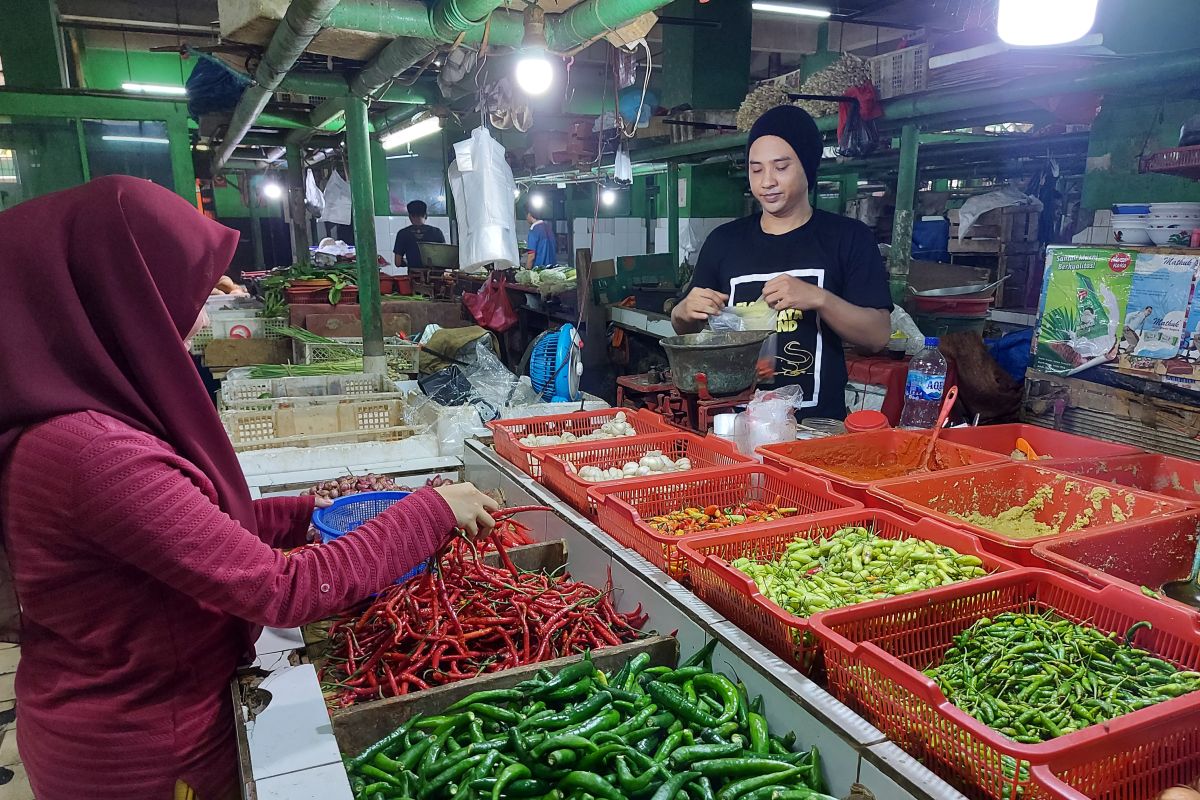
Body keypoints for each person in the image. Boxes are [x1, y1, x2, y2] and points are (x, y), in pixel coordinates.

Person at [0, 176, 500, 800]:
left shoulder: (81, 420)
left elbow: (178, 535)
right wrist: (430, 509)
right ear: (117, 296)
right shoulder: (92, 452)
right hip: (141, 753)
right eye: (182, 291)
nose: (201, 313)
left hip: (146, 711)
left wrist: (298, 512)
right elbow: (281, 590)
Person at [670, 105, 892, 420]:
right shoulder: (724, 242)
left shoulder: (847, 237)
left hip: (817, 428)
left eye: (781, 167)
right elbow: (683, 326)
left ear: (807, 166)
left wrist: (819, 298)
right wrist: (683, 311)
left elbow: (878, 336)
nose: (767, 181)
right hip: (735, 427)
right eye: (756, 169)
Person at [392, 199, 445, 269]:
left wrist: (410, 262)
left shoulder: (402, 234)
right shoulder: (437, 232)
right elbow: (444, 259)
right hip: (435, 277)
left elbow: (398, 262)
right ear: (426, 215)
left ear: (410, 216)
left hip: (415, 278)